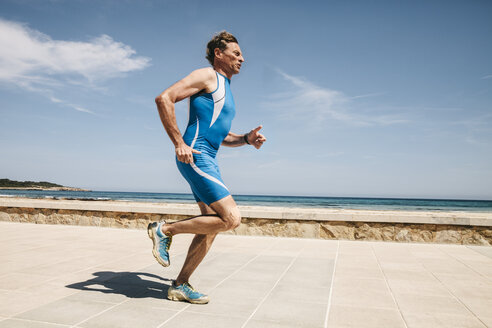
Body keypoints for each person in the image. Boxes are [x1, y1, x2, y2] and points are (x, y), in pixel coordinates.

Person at [148, 31, 266, 304]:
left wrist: (246, 139)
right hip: (195, 157)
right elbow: (164, 98)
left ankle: (180, 284)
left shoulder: (226, 89)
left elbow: (221, 136)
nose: (242, 58)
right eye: (236, 53)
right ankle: (164, 230)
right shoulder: (207, 76)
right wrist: (179, 142)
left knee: (211, 227)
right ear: (218, 54)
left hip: (208, 158)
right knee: (231, 218)